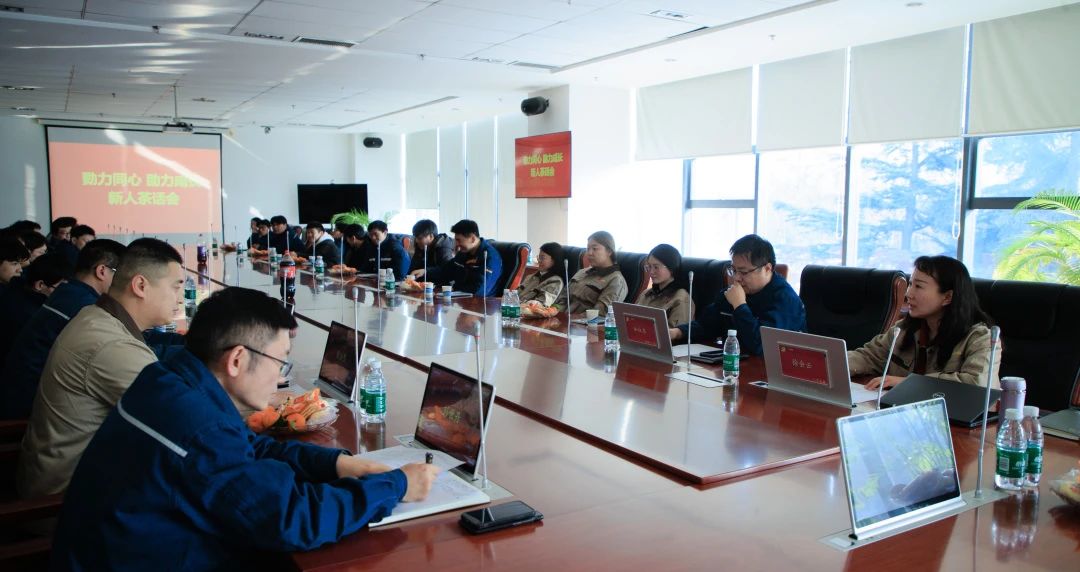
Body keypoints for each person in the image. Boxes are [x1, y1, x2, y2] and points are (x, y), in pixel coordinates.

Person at [50, 287, 440, 570]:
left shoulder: (168, 380)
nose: (280, 377)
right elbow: (293, 520)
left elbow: (246, 448)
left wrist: (336, 464)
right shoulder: (199, 429)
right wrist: (396, 485)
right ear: (237, 359)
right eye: (280, 362)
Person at [17, 238, 185, 499]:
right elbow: (180, 420)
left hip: (74, 476)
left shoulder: (97, 316)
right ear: (140, 286)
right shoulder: (111, 344)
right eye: (176, 286)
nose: (181, 297)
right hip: (65, 501)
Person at [0, 239, 126, 419]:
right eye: (121, 274)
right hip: (28, 407)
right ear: (102, 271)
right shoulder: (84, 306)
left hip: (21, 393)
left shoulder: (67, 292)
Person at [850, 255, 1001, 389]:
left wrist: (907, 383)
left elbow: (977, 385)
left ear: (947, 297)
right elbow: (868, 357)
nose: (908, 294)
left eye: (918, 286)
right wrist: (837, 363)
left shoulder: (982, 338)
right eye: (910, 284)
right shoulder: (903, 329)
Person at [670, 234, 805, 356]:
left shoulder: (785, 300)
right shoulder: (733, 293)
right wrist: (677, 332)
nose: (737, 278)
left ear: (767, 269)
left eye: (743, 272)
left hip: (768, 370)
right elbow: (706, 325)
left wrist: (740, 305)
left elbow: (761, 346)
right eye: (734, 270)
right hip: (732, 364)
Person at [0, 254, 71, 361]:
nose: (65, 294)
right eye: (61, 289)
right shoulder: (30, 316)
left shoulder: (15, 289)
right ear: (40, 285)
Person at [421, 219, 502, 297]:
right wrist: (425, 271)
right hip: (461, 299)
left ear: (472, 239)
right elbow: (446, 271)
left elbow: (479, 290)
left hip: (481, 303)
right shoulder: (463, 253)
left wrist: (454, 288)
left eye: (459, 240)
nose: (456, 244)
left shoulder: (490, 257)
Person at [565, 231, 627, 315]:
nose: (589, 253)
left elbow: (599, 315)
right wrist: (553, 313)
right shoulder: (582, 272)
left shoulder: (616, 281)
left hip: (580, 322)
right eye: (588, 249)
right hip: (560, 319)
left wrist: (568, 320)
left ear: (609, 251)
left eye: (594, 249)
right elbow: (562, 299)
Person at [636, 243, 693, 328]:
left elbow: (675, 333)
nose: (651, 272)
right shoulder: (645, 294)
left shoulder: (681, 298)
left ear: (671, 267)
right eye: (649, 267)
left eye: (656, 267)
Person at [517, 242, 565, 308]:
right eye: (539, 257)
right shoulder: (531, 277)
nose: (539, 261)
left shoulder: (556, 281)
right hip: (515, 309)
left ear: (554, 260)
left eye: (542, 258)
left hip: (529, 312)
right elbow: (515, 295)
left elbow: (540, 305)